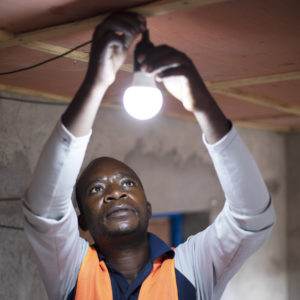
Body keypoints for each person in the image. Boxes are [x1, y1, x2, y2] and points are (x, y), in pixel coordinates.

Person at [23, 12, 275, 300]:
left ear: (149, 207)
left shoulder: (193, 267)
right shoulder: (70, 269)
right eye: (96, 189)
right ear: (82, 223)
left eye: (128, 184)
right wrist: (97, 82)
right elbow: (45, 211)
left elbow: (250, 218)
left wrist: (202, 105)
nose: (115, 194)